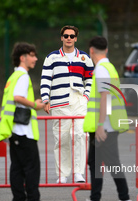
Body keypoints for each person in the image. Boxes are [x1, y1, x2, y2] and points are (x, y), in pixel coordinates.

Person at [76, 36, 134, 201]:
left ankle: (125, 200)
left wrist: (101, 125)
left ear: (91, 51)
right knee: (94, 163)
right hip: (103, 126)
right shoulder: (109, 67)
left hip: (105, 127)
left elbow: (105, 97)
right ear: (106, 50)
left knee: (111, 163)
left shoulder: (101, 69)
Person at [0, 42, 54, 201]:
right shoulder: (22, 76)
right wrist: (35, 105)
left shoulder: (13, 77)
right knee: (31, 167)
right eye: (32, 55)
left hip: (13, 129)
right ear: (23, 58)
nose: (35, 58)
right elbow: (18, 97)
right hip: (23, 131)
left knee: (17, 168)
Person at [40, 25, 94, 183]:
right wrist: (45, 99)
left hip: (79, 102)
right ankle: (62, 175)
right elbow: (45, 79)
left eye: (72, 36)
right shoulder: (52, 58)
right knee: (61, 138)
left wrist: (86, 96)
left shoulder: (84, 58)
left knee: (80, 136)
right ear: (61, 38)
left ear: (76, 38)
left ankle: (78, 173)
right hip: (58, 102)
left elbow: (90, 79)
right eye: (66, 36)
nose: (69, 38)